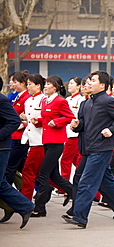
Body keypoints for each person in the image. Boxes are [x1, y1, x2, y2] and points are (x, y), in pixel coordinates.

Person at [64, 71, 114, 228]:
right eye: (89, 80)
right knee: (106, 180)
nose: (89, 83)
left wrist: (111, 130)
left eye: (93, 81)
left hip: (101, 147)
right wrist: (77, 126)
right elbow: (84, 125)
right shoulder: (86, 103)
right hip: (88, 148)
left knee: (86, 182)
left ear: (102, 85)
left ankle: (80, 217)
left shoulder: (107, 101)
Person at [30, 75, 74, 217]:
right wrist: (38, 121)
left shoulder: (60, 101)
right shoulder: (45, 100)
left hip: (56, 143)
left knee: (43, 175)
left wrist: (57, 122)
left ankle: (39, 207)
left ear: (55, 87)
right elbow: (47, 118)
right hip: (47, 141)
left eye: (48, 84)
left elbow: (70, 117)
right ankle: (75, 193)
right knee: (54, 176)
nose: (45, 86)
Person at [0, 78, 34, 229]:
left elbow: (14, 121)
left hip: (2, 147)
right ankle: (23, 206)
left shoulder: (2, 100)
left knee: (1, 182)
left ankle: (25, 206)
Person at [19, 74, 45, 200]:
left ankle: (26, 199)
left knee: (29, 171)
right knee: (41, 173)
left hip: (40, 140)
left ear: (38, 86)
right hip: (29, 138)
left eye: (30, 84)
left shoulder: (43, 99)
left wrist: (38, 121)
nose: (28, 86)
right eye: (27, 84)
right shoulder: (28, 101)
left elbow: (47, 118)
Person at [5, 71, 30, 185]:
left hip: (21, 136)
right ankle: (39, 185)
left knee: (10, 166)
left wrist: (23, 123)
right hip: (13, 135)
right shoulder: (14, 96)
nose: (12, 84)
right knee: (21, 166)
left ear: (23, 83)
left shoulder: (27, 98)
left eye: (15, 82)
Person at [60, 77, 83, 184]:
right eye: (69, 83)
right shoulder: (67, 100)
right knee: (76, 160)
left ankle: (64, 186)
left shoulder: (81, 100)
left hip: (74, 134)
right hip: (66, 133)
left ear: (79, 86)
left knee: (65, 160)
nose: (69, 85)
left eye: (72, 83)